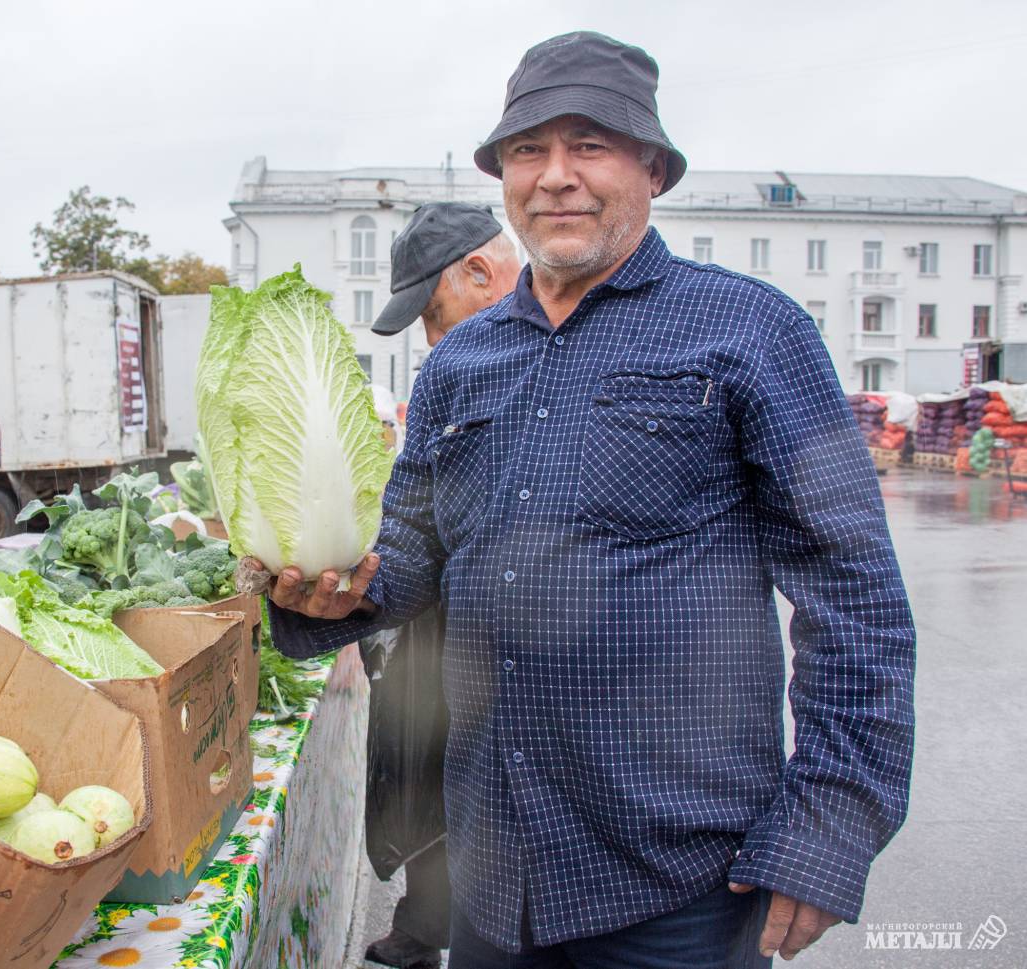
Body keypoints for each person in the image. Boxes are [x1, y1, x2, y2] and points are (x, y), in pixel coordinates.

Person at [260, 31, 914, 969]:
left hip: (679, 884)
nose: (556, 175)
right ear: (504, 180)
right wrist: (336, 586)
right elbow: (409, 547)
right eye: (529, 151)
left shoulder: (750, 330)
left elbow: (855, 600)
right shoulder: (463, 364)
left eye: (590, 145)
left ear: (652, 168)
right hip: (491, 878)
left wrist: (828, 825)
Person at [361, 202, 521, 969]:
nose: (430, 340)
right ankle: (427, 920)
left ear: (482, 273)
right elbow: (416, 534)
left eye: (433, 313)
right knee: (431, 784)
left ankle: (432, 922)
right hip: (447, 649)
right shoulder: (447, 387)